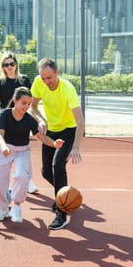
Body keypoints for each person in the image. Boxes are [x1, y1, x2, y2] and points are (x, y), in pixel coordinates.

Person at [0, 87, 64, 223]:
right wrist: (4, 146)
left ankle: (17, 206)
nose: (27, 106)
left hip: (22, 151)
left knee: (22, 175)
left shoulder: (29, 119)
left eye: (29, 103)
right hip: (4, 149)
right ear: (15, 101)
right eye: (24, 103)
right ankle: (2, 209)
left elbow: (41, 137)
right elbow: (0, 135)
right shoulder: (4, 114)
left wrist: (54, 144)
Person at [29, 58, 85, 230]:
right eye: (43, 78)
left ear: (57, 72)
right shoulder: (38, 83)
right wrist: (41, 120)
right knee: (46, 172)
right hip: (51, 130)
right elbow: (33, 107)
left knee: (58, 165)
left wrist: (76, 146)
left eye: (49, 78)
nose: (46, 82)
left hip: (68, 129)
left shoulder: (67, 89)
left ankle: (61, 213)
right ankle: (67, 195)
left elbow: (80, 121)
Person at [0, 53, 39, 194]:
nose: (9, 67)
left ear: (16, 64)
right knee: (5, 150)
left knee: (23, 148)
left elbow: (30, 101)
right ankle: (8, 183)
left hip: (22, 118)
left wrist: (35, 117)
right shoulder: (0, 82)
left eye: (12, 64)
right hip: (6, 119)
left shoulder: (24, 80)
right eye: (6, 65)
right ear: (3, 67)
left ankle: (28, 180)